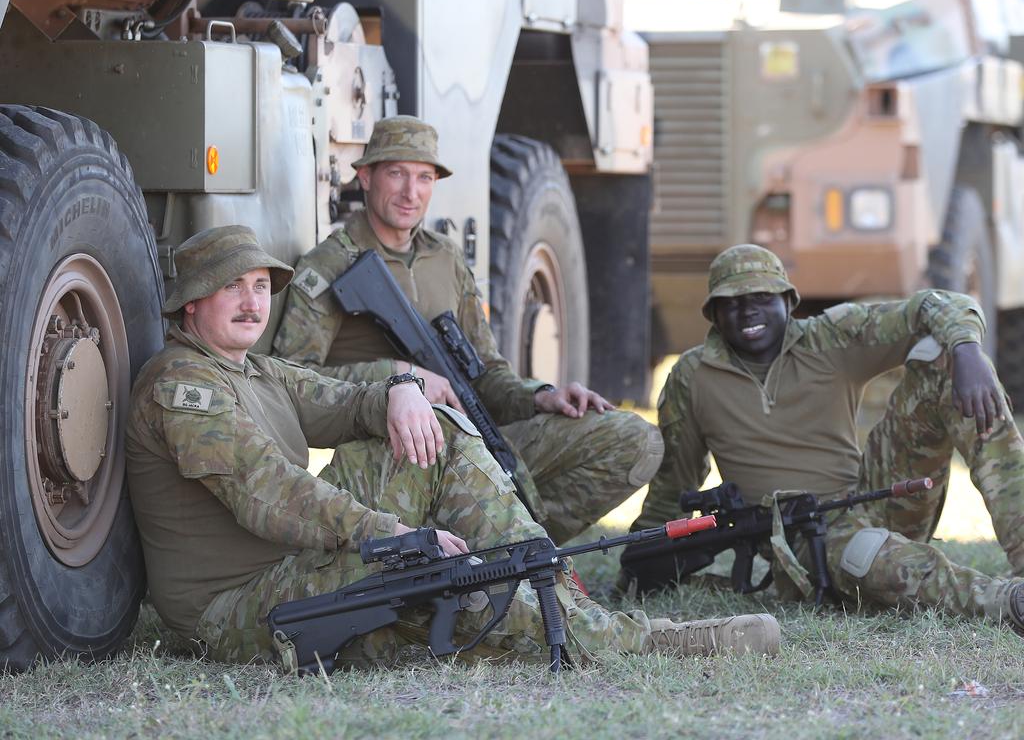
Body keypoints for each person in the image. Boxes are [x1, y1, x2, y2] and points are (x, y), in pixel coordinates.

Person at [125, 225, 781, 668]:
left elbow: (341, 398)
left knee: (437, 431)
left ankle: (557, 593)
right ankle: (642, 643)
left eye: (261, 286)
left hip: (290, 568)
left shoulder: (254, 371)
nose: (251, 301)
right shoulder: (185, 387)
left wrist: (402, 388)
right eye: (232, 287)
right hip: (232, 609)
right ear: (190, 307)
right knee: (441, 582)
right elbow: (269, 494)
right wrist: (395, 534)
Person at [271, 115, 662, 544]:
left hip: (469, 436)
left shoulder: (447, 258)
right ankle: (494, 544)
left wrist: (539, 395)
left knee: (635, 441)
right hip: (394, 453)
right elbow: (289, 380)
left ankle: (507, 545)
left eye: (424, 177)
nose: (410, 192)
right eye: (396, 174)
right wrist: (400, 377)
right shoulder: (328, 266)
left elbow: (485, 372)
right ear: (364, 177)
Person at [623, 243, 1024, 628]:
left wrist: (967, 349)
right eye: (732, 302)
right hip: (803, 538)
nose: (747, 311)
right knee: (866, 557)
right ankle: (1009, 602)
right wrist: (642, 557)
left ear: (788, 301)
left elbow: (935, 305)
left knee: (945, 358)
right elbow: (674, 483)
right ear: (713, 313)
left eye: (761, 297)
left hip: (882, 497)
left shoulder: (829, 338)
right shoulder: (691, 378)